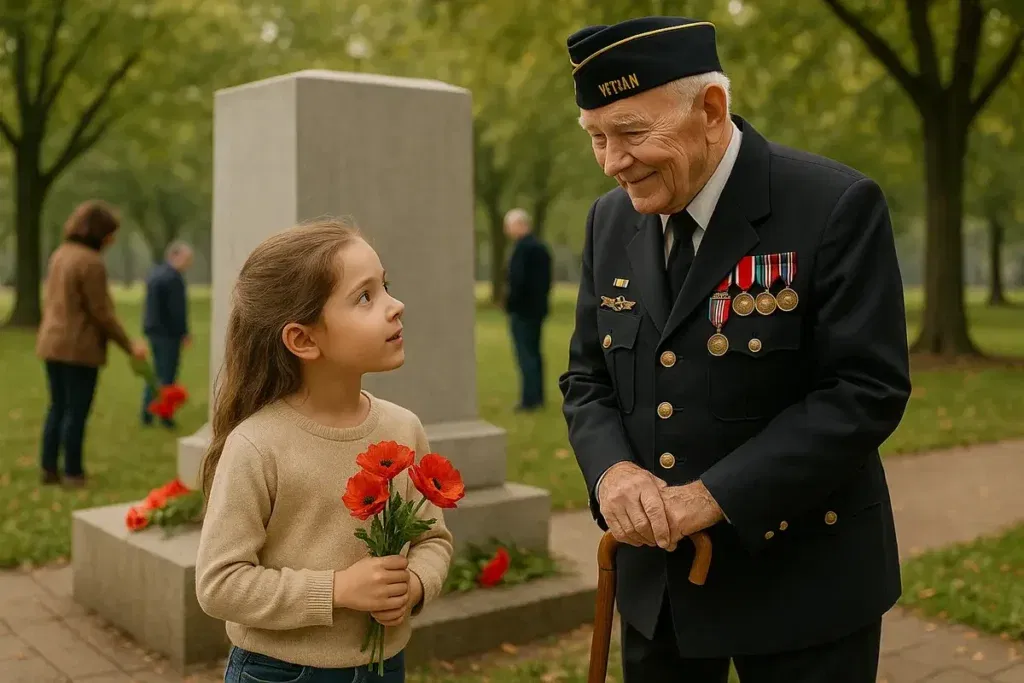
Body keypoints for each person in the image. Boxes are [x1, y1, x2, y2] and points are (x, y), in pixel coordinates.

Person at [558, 16, 911, 683]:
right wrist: (613, 475)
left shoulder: (833, 205)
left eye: (632, 132)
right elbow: (588, 376)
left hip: (802, 588)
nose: (612, 161)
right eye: (596, 137)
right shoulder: (608, 220)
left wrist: (716, 493)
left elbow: (865, 390)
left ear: (712, 110)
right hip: (658, 590)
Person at [194, 219, 454, 683]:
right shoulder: (257, 445)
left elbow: (432, 540)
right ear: (303, 340)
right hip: (276, 673)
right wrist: (335, 590)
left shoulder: (402, 428)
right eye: (364, 297)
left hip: (383, 667)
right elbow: (219, 584)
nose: (396, 306)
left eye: (385, 286)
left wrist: (413, 586)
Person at [35, 200, 149, 487]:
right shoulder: (91, 262)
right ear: (100, 233)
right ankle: (73, 472)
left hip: (52, 343)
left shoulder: (60, 254)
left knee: (57, 406)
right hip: (79, 348)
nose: (113, 239)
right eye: (111, 233)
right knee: (76, 411)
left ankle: (49, 468)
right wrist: (129, 345)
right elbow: (102, 314)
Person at [503, 208, 553, 411]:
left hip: (523, 311)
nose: (507, 231)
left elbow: (518, 280)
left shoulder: (523, 249)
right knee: (535, 353)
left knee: (526, 355)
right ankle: (537, 396)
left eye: (509, 226)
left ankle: (529, 400)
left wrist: (510, 302)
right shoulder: (541, 248)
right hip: (537, 309)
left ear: (519, 225)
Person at [141, 240, 193, 427]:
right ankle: (165, 416)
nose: (189, 263)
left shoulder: (155, 274)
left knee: (156, 374)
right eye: (187, 259)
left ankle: (147, 413)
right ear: (174, 255)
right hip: (169, 334)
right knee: (168, 376)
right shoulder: (174, 278)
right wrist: (184, 332)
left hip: (154, 332)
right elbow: (176, 310)